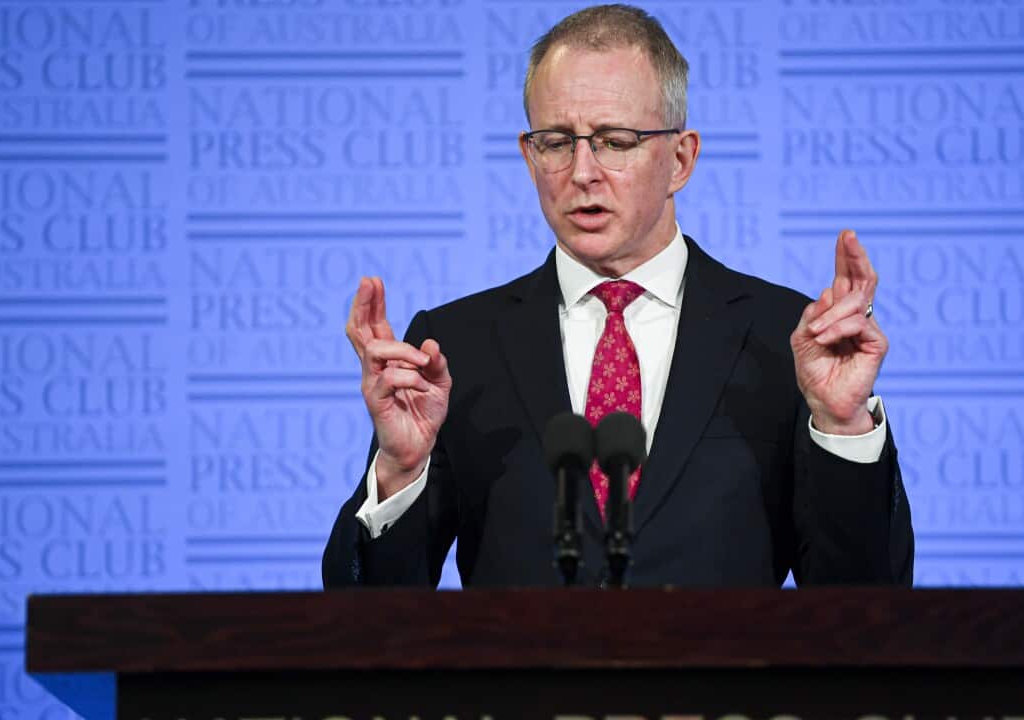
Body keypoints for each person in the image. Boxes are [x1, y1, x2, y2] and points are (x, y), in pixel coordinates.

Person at [322, 4, 913, 588]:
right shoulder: (454, 348)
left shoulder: (785, 341)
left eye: (614, 141)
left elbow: (867, 608)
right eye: (557, 141)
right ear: (530, 156)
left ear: (680, 159)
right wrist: (400, 471)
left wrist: (842, 426)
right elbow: (368, 620)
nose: (582, 171)